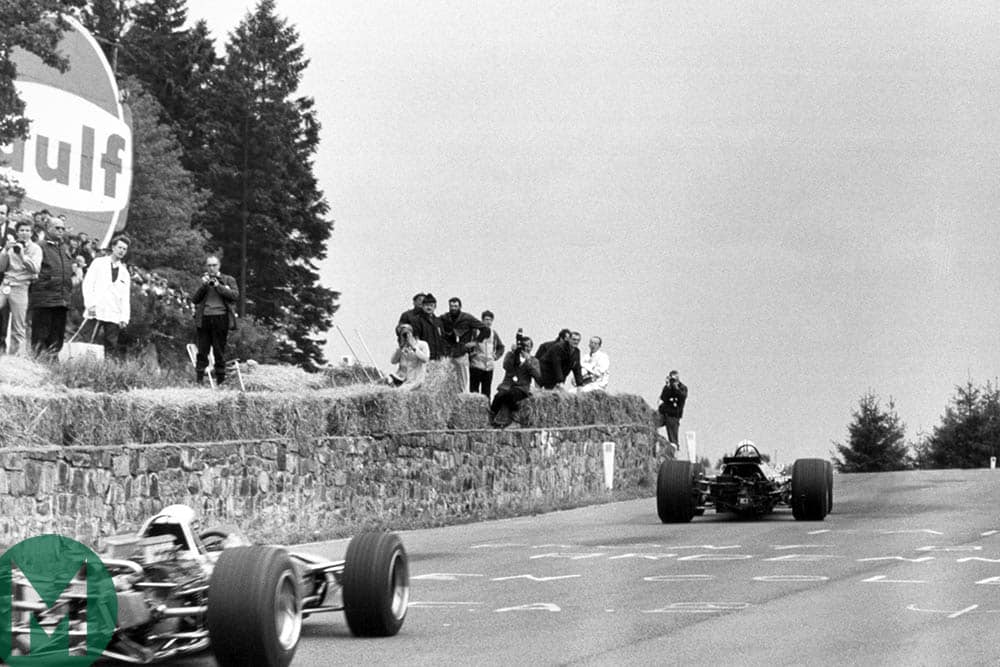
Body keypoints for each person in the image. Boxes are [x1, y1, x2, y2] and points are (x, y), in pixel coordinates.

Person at [29, 215, 74, 357]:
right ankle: (36, 361)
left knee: (57, 334)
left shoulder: (65, 248)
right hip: (44, 298)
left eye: (63, 228)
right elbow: (33, 270)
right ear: (48, 229)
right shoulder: (39, 246)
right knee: (41, 333)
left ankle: (52, 361)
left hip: (62, 299)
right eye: (57, 228)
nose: (61, 231)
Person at [80, 235, 131, 357]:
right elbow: (87, 284)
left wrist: (124, 317)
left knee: (111, 344)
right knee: (87, 339)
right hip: (96, 308)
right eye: (119, 247)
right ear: (113, 247)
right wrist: (90, 304)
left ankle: (105, 370)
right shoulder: (98, 263)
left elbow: (125, 297)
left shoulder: (125, 273)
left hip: (113, 312)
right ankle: (79, 363)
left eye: (124, 249)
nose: (121, 251)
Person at [192, 255, 239, 385]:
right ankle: (199, 380)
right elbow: (195, 299)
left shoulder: (228, 279)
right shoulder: (204, 281)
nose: (211, 268)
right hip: (205, 318)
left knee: (219, 350)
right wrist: (204, 286)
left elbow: (234, 296)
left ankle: (220, 381)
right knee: (203, 350)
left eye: (214, 265)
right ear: (206, 267)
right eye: (209, 266)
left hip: (221, 318)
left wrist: (219, 286)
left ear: (219, 266)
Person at [0, 218, 42, 355]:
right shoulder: (12, 246)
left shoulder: (35, 249)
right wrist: (5, 250)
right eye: (22, 230)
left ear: (31, 233)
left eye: (27, 230)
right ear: (17, 232)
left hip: (21, 287)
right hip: (6, 284)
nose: (24, 233)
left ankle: (15, 357)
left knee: (18, 325)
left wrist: (23, 256)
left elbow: (35, 269)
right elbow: (1, 267)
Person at [490, 333, 541, 427]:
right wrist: (514, 354)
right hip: (507, 385)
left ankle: (504, 419)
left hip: (521, 388)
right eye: (523, 346)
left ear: (531, 348)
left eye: (528, 346)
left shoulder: (534, 361)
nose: (525, 348)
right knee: (498, 396)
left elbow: (538, 377)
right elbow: (506, 366)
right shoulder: (511, 355)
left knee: (509, 395)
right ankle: (496, 416)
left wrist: (528, 361)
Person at [439, 297, 483, 392]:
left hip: (462, 352)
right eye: (451, 306)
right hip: (449, 352)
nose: (453, 308)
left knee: (463, 378)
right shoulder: (444, 318)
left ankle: (462, 395)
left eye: (455, 306)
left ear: (460, 306)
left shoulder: (467, 318)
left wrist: (475, 342)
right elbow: (434, 325)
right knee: (445, 377)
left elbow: (484, 329)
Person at [469, 310, 505, 398]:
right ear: (482, 320)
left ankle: (486, 410)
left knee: (486, 392)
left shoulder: (494, 333)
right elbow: (467, 344)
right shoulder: (475, 332)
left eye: (490, 320)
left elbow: (501, 347)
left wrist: (496, 356)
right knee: (474, 391)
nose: (488, 322)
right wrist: (471, 354)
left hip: (489, 367)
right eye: (486, 319)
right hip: (476, 365)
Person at [386, 323, 430, 390]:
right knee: (386, 381)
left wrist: (413, 347)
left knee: (400, 391)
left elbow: (425, 359)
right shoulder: (401, 347)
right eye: (402, 334)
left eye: (407, 333)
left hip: (416, 380)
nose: (405, 336)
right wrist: (401, 348)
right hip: (402, 379)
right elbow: (393, 361)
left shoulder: (422, 345)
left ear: (412, 333)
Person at [658, 370, 688, 446]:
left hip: (673, 415)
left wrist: (675, 387)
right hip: (664, 412)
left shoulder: (682, 388)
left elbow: (682, 396)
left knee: (673, 439)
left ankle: (674, 451)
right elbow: (663, 397)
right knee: (653, 422)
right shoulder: (668, 387)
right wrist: (668, 386)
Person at [411, 292, 444, 360]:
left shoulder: (439, 321)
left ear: (435, 307)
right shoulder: (417, 320)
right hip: (424, 357)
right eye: (426, 305)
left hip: (438, 356)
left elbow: (442, 338)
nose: (429, 307)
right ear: (422, 306)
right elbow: (416, 340)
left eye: (431, 305)